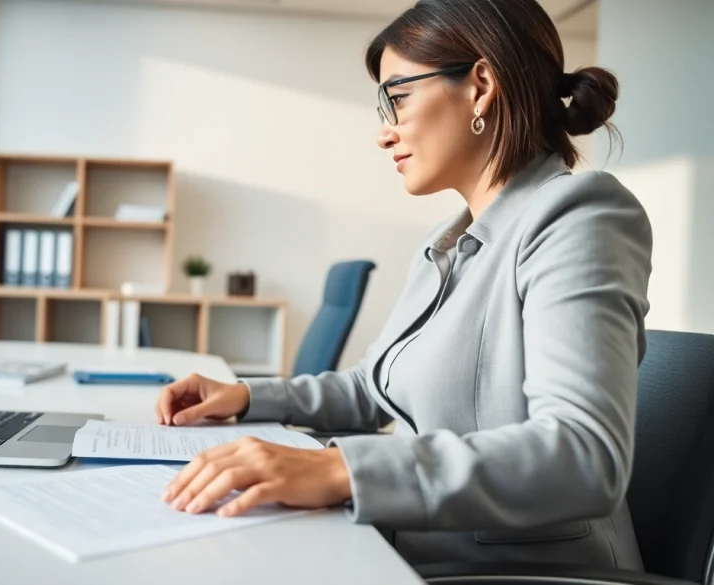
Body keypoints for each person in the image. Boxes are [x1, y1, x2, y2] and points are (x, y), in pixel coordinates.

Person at [153, 0, 653, 569]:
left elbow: (583, 456)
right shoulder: (448, 245)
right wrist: (246, 396)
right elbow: (373, 389)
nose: (383, 134)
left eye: (398, 96)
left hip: (518, 573)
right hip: (409, 548)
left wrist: (342, 468)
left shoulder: (580, 216)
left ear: (481, 85)